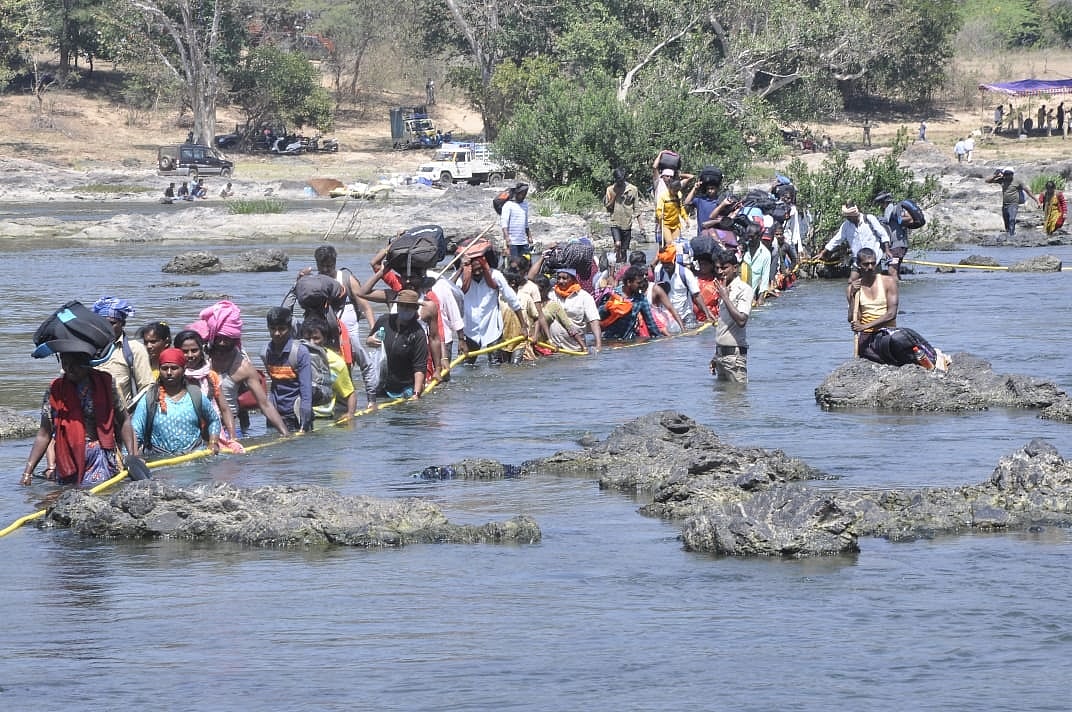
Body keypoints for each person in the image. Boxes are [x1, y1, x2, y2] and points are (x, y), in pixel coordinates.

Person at [20, 351, 139, 487]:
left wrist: (132, 456)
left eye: (75, 364)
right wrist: (27, 472)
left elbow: (124, 420)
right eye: (65, 363)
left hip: (98, 457)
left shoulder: (105, 384)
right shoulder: (55, 389)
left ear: (86, 362)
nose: (69, 369)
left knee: (96, 494)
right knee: (66, 495)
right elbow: (44, 433)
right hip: (66, 458)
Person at [131, 347, 221, 456]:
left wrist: (213, 442)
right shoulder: (149, 398)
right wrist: (132, 456)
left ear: (184, 369)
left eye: (174, 368)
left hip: (195, 458)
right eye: (164, 368)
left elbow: (214, 420)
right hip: (159, 459)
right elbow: (135, 432)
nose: (169, 372)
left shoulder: (195, 395)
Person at [172, 329, 241, 452]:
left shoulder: (211, 376)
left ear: (201, 350)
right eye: (185, 352)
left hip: (213, 434)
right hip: (184, 435)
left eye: (194, 350)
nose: (190, 355)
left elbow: (225, 409)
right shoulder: (172, 378)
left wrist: (233, 439)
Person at [459, 247, 524, 364]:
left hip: (493, 329)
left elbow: (512, 299)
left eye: (480, 269)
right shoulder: (462, 279)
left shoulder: (495, 275)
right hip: (470, 331)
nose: (477, 273)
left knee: (495, 365)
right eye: (474, 270)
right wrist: (460, 269)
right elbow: (448, 291)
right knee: (467, 365)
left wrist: (523, 326)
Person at [91, 296, 154, 413]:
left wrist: (131, 416)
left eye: (112, 323)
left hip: (123, 416)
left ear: (122, 323)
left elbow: (147, 388)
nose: (106, 327)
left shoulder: (134, 349)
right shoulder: (88, 349)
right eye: (102, 323)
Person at [814, 203, 891, 296]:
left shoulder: (869, 219)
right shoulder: (846, 225)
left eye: (848, 216)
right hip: (858, 260)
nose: (847, 218)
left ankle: (877, 299)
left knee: (876, 282)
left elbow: (883, 234)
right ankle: (854, 301)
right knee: (852, 281)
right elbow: (836, 239)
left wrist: (887, 250)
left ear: (854, 214)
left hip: (873, 260)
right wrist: (823, 252)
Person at [367, 290, 428, 403]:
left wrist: (416, 394)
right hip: (382, 384)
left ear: (415, 308)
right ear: (398, 306)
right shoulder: (384, 320)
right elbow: (369, 340)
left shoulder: (418, 334)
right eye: (402, 305)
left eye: (409, 307)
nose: (405, 309)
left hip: (405, 388)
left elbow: (420, 367)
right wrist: (370, 341)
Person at [261, 306, 313, 433]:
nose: (277, 333)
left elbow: (306, 390)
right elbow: (274, 384)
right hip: (274, 415)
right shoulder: (265, 352)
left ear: (289, 328)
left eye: (281, 329)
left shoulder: (300, 352)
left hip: (296, 416)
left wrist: (304, 425)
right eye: (273, 329)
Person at [848, 247, 899, 363]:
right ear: (859, 265)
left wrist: (864, 326)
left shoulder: (888, 282)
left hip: (887, 332)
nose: (870, 267)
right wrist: (852, 296)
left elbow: (891, 314)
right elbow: (853, 319)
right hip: (867, 335)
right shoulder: (853, 288)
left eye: (873, 263)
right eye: (866, 264)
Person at [301, 318, 358, 420]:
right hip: (299, 414)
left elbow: (350, 393)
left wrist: (350, 414)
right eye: (307, 339)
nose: (311, 343)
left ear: (325, 339)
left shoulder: (336, 363)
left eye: (316, 338)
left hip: (323, 417)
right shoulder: (294, 357)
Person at [709, 252, 752, 383]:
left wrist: (725, 297)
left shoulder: (743, 289)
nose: (720, 272)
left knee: (738, 394)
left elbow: (741, 320)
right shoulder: (723, 288)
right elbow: (724, 327)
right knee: (721, 395)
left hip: (735, 357)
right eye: (718, 268)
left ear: (735, 268)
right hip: (721, 355)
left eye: (724, 268)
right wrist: (716, 355)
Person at [599, 266, 667, 341]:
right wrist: (608, 306)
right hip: (608, 340)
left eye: (642, 282)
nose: (641, 285)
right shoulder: (613, 294)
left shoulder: (641, 299)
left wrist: (659, 339)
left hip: (627, 341)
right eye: (638, 283)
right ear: (629, 282)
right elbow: (597, 316)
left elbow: (651, 324)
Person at [652, 244, 713, 326]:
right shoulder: (658, 271)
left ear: (674, 260)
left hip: (685, 315)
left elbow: (697, 296)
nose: (666, 266)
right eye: (663, 263)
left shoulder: (686, 273)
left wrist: (707, 315)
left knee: (689, 332)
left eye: (668, 263)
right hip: (666, 315)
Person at [985, 167, 1038, 239]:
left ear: (1012, 174)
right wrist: (995, 175)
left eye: (1009, 174)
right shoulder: (1002, 180)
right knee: (1006, 222)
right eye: (1006, 174)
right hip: (1005, 205)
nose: (1007, 176)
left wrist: (1036, 200)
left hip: (1013, 204)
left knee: (1012, 219)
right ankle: (1008, 235)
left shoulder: (1018, 181)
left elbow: (1028, 191)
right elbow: (987, 181)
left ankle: (1012, 236)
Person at [605, 168, 643, 264]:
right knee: (618, 244)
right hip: (615, 222)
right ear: (615, 179)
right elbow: (608, 208)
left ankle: (622, 267)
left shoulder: (633, 189)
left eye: (621, 180)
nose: (620, 182)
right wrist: (614, 196)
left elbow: (637, 208)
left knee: (624, 250)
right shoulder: (610, 189)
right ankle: (615, 260)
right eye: (618, 180)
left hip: (627, 224)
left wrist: (641, 226)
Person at [741, 223, 772, 306]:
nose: (749, 239)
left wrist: (761, 297)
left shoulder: (765, 254)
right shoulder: (742, 249)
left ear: (759, 236)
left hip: (752, 296)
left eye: (752, 237)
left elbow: (765, 277)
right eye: (748, 237)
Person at [500, 183, 532, 261]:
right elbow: (504, 224)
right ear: (517, 193)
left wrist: (529, 236)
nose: (524, 196)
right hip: (512, 242)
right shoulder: (508, 205)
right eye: (522, 194)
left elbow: (525, 223)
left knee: (527, 262)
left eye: (525, 194)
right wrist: (507, 238)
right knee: (514, 264)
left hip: (523, 241)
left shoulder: (525, 205)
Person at [655, 176, 687, 249]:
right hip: (665, 223)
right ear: (669, 188)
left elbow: (681, 208)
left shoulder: (679, 194)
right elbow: (659, 209)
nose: (675, 192)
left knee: (676, 243)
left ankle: (674, 256)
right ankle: (666, 255)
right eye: (674, 191)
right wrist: (660, 215)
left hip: (676, 223)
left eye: (677, 191)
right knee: (669, 242)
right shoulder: (663, 196)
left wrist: (686, 218)